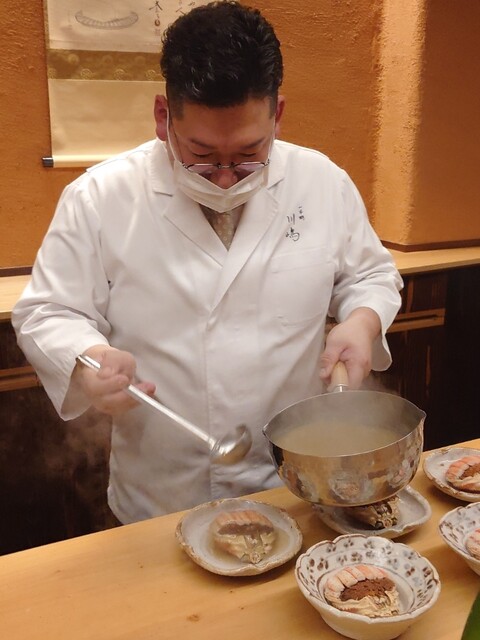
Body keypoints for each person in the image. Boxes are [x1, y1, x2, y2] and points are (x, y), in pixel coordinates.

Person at [13, 0, 403, 523]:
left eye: (247, 155)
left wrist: (362, 320)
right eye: (201, 155)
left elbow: (372, 274)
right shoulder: (101, 197)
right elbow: (47, 312)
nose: (224, 177)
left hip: (291, 484)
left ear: (277, 116)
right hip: (161, 492)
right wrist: (88, 358)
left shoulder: (322, 182)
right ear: (163, 116)